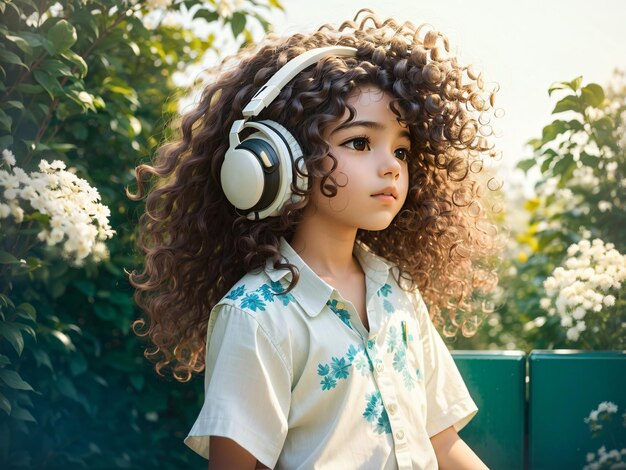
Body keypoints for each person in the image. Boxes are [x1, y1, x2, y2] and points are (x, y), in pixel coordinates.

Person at [129, 9, 501, 470]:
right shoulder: (257, 316)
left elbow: (441, 444)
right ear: (283, 159)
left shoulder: (399, 292)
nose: (391, 166)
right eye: (360, 143)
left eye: (401, 150)